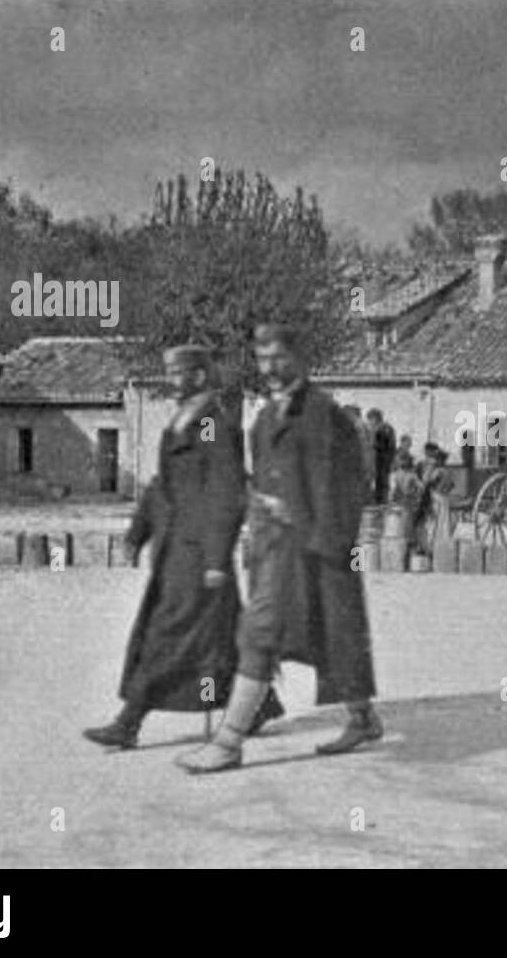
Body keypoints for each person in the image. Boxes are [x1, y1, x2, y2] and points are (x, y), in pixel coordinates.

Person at [177, 324, 381, 773]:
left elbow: (350, 486)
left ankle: (228, 742)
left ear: (300, 357)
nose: (268, 368)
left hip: (318, 551)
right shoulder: (265, 419)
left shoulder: (326, 416)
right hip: (276, 548)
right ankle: (363, 717)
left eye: (278, 358)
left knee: (288, 635)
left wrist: (316, 531)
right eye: (262, 358)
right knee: (312, 636)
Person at [84, 345, 282, 750]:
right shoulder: (180, 420)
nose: (172, 380)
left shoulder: (213, 424)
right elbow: (162, 484)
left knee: (167, 633)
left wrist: (215, 558)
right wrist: (137, 533)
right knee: (218, 636)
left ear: (198, 376)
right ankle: (260, 705)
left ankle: (129, 721)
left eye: (179, 373)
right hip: (174, 547)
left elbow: (226, 492)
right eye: (169, 372)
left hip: (197, 553)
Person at [388, 450, 424, 553]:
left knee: (403, 531)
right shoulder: (409, 475)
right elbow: (421, 488)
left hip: (403, 505)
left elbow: (392, 493)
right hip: (405, 505)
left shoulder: (398, 475)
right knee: (406, 531)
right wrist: (415, 494)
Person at [367, 409, 396, 505]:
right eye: (369, 419)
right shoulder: (378, 428)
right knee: (378, 480)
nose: (370, 422)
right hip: (377, 459)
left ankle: (382, 501)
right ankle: (379, 500)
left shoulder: (385, 428)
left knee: (382, 481)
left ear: (376, 418)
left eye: (371, 419)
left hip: (382, 459)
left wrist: (390, 461)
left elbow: (390, 446)